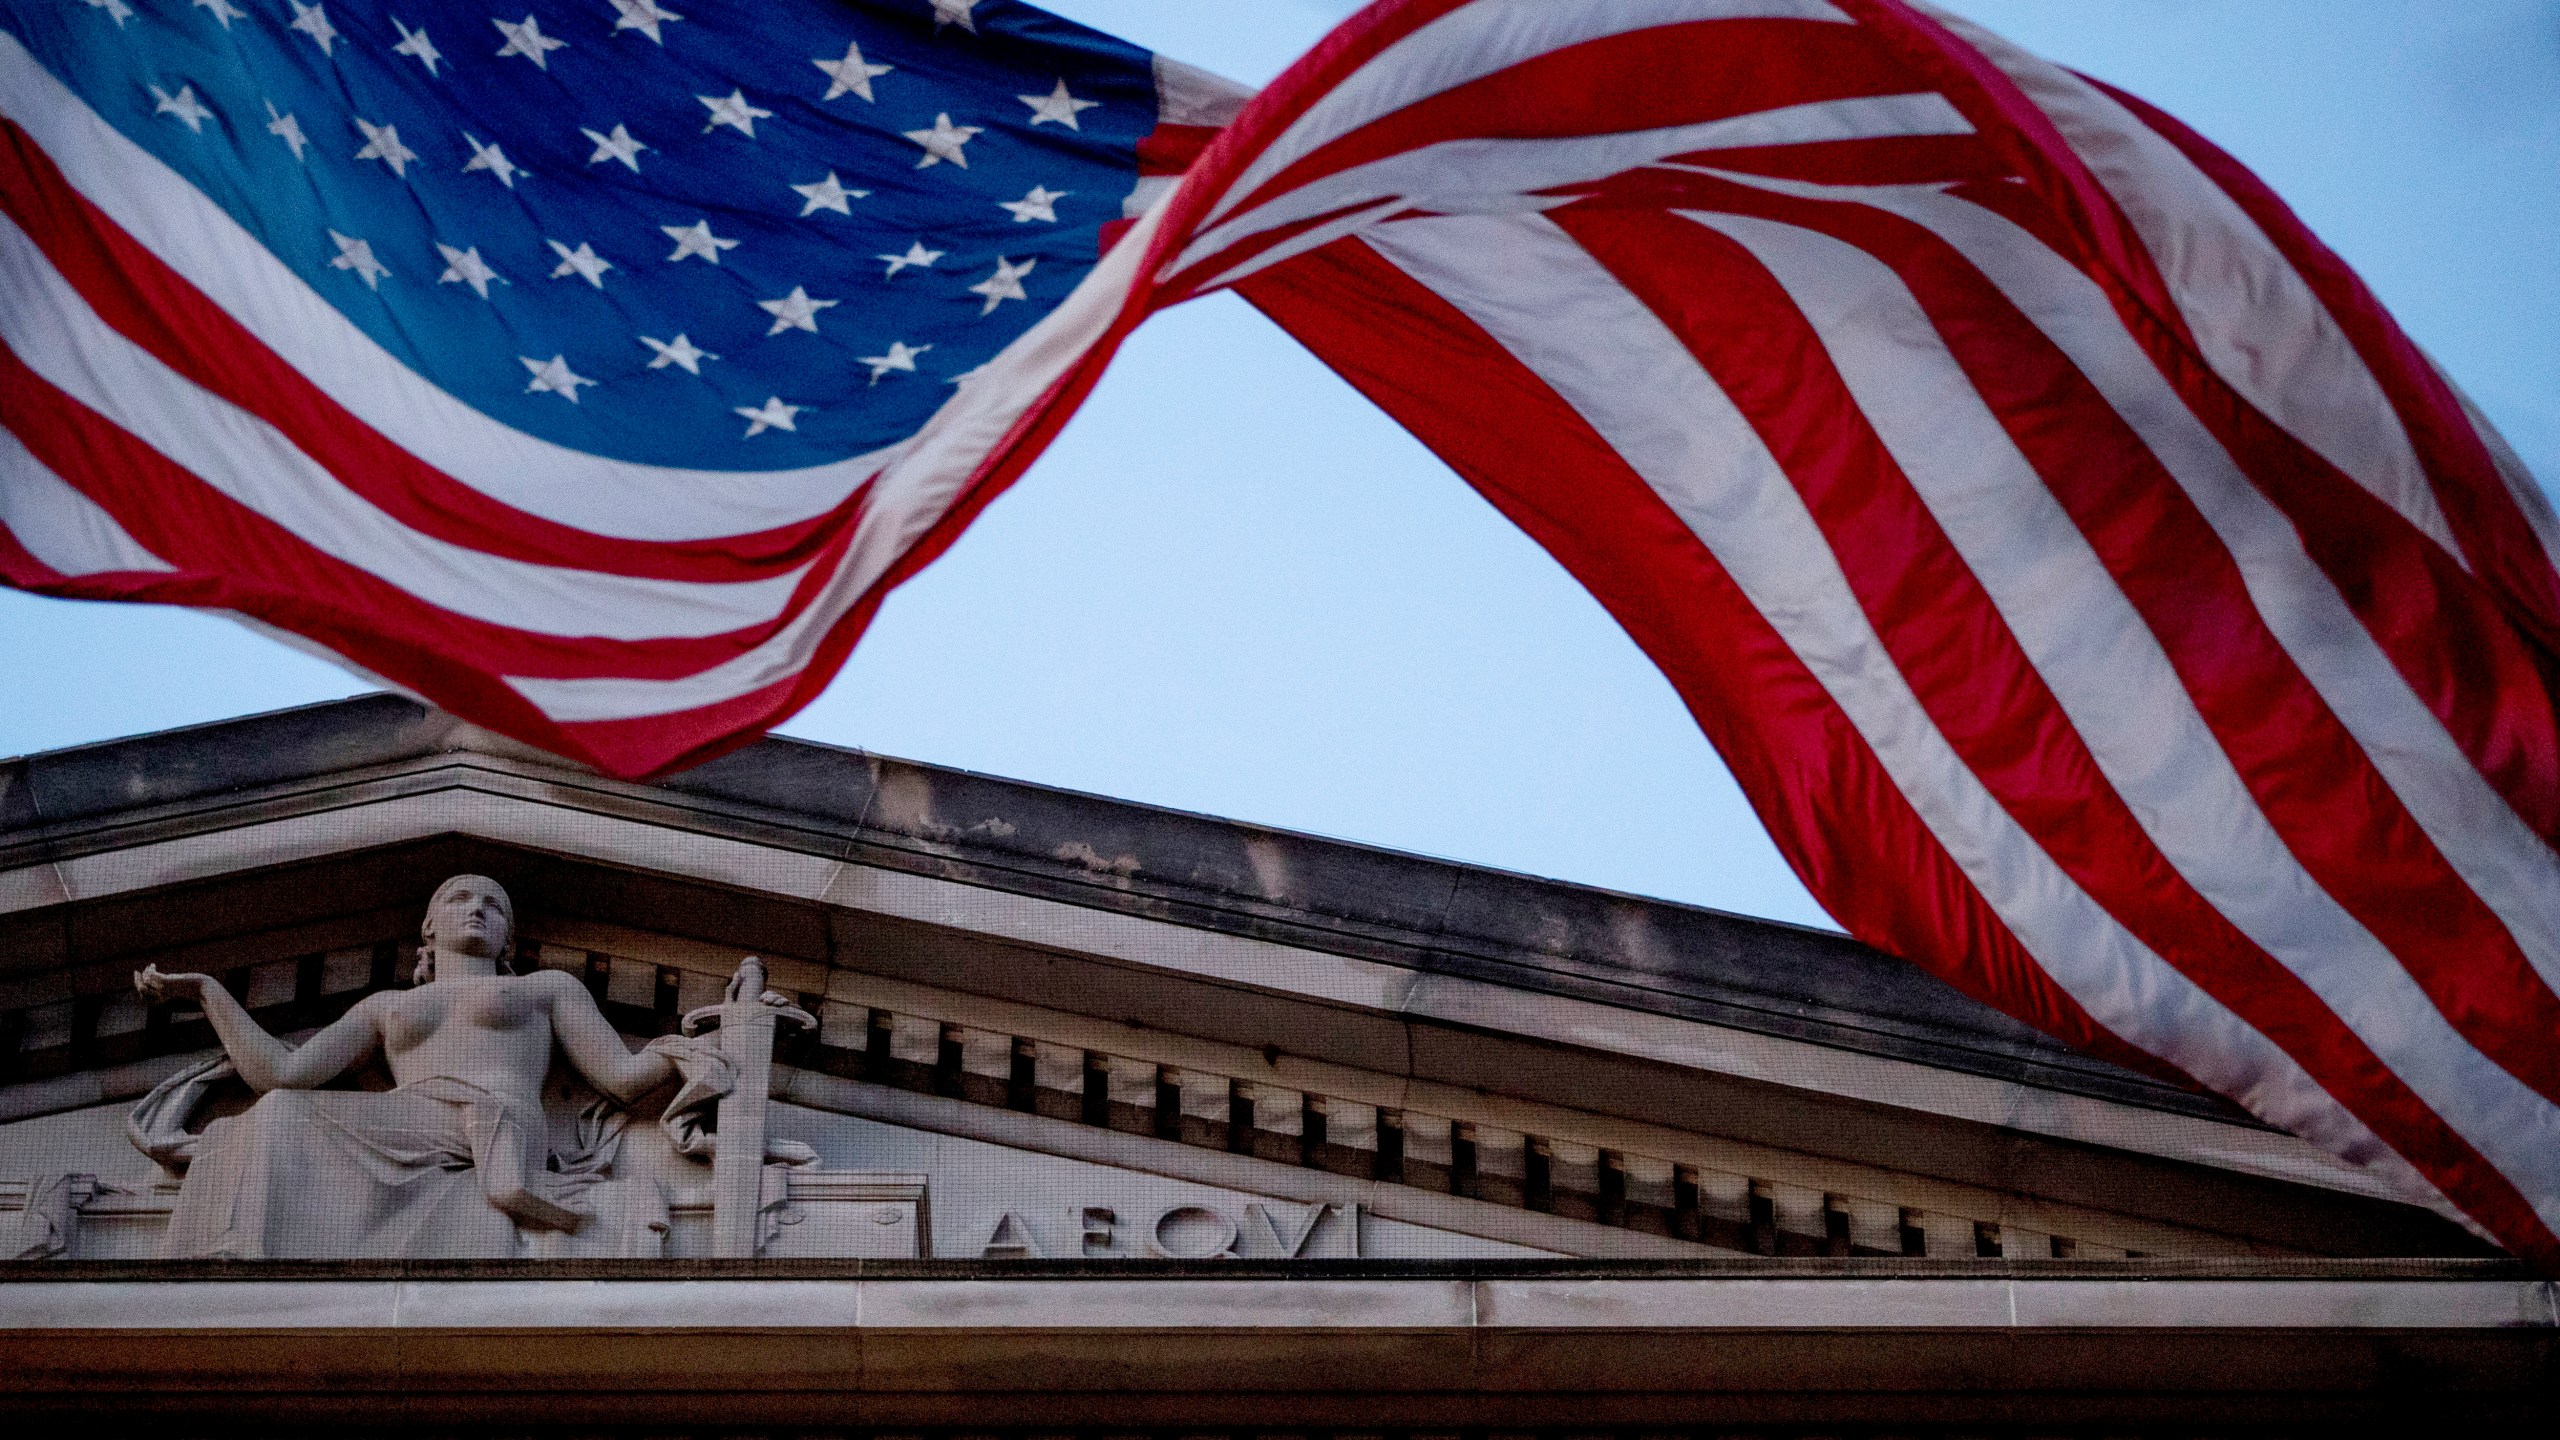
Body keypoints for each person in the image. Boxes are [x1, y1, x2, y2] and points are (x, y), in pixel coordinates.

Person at [133, 875, 680, 1258]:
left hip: (496, 1124)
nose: (478, 908)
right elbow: (282, 1075)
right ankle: (238, 1257)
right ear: (429, 927)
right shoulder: (386, 1006)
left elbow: (623, 1077)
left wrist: (694, 1046)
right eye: (461, 899)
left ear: (507, 937)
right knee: (270, 1114)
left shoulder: (546, 988)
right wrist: (209, 993)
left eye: (495, 905)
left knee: (277, 1117)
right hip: (411, 1120)